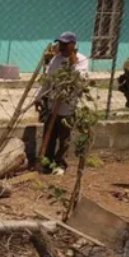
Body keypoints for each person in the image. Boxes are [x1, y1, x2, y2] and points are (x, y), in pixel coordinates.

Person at [35, 32, 90, 175]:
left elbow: (80, 81)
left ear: (73, 45)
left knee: (64, 137)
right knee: (49, 134)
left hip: (68, 106)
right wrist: (38, 97)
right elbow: (47, 80)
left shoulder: (81, 60)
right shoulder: (56, 59)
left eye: (65, 44)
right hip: (53, 104)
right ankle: (47, 163)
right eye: (60, 44)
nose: (62, 47)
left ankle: (60, 164)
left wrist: (72, 64)